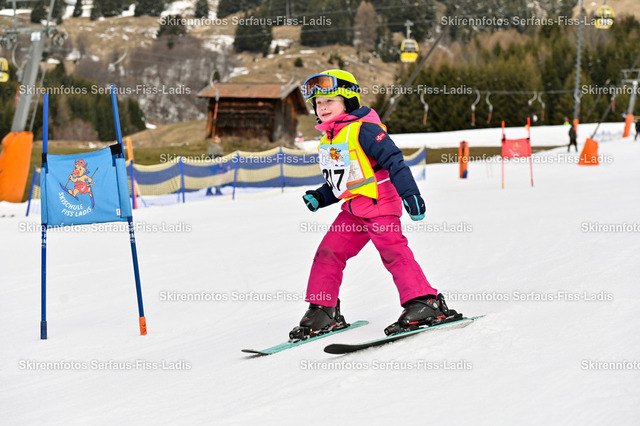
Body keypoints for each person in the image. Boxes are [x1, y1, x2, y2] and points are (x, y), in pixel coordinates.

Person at [289, 70, 458, 341]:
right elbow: (344, 180)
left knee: (393, 252)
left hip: (381, 205)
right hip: (353, 210)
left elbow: (394, 161)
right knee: (328, 252)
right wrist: (321, 196)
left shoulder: (365, 129)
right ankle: (323, 309)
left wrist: (410, 195)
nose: (323, 107)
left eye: (330, 101)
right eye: (318, 103)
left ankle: (424, 302)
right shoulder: (331, 137)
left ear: (348, 102)